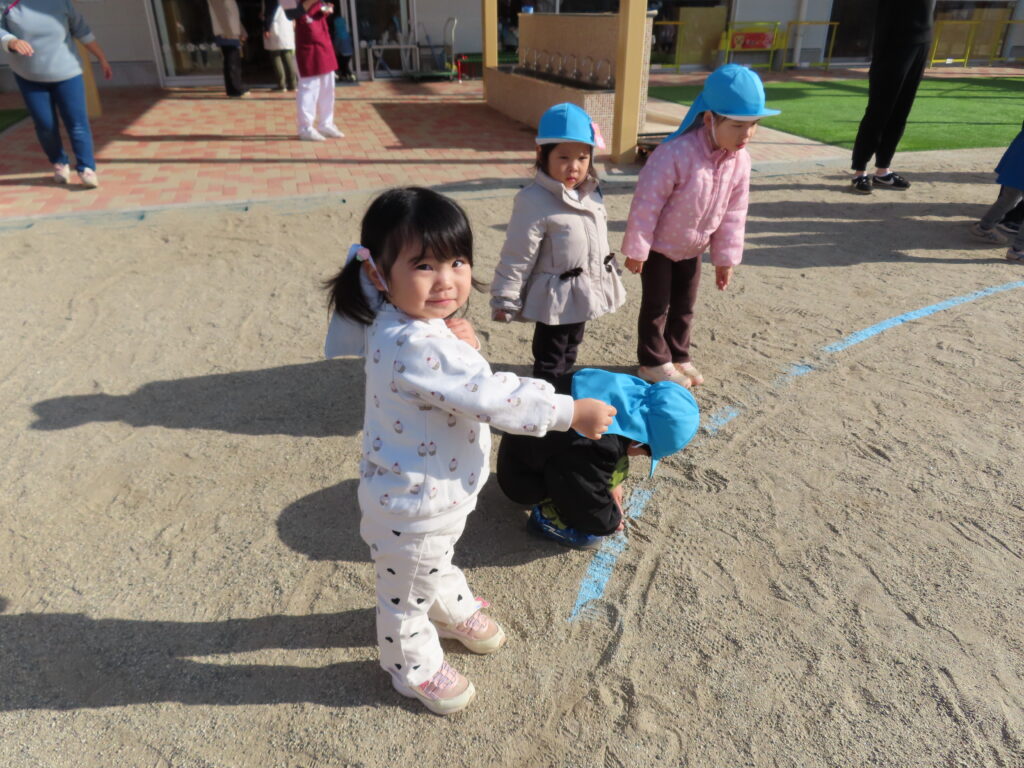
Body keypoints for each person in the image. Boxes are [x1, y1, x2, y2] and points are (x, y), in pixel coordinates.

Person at [323, 187, 616, 714]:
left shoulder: (401, 320)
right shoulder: (417, 344)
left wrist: (461, 342)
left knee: (433, 560)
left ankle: (445, 604)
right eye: (424, 265)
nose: (446, 280)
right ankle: (410, 664)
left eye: (457, 261)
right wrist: (569, 411)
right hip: (415, 504)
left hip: (433, 490)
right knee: (404, 597)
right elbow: (489, 396)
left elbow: (454, 378)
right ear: (377, 273)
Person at [621, 64, 779, 386]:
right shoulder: (673, 154)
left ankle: (678, 355)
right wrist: (637, 248)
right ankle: (653, 361)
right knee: (656, 306)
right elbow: (647, 203)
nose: (746, 134)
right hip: (659, 248)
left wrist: (725, 259)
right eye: (737, 125)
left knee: (685, 306)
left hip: (693, 249)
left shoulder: (740, 160)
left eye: (753, 125)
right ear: (709, 119)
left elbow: (734, 212)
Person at [491, 103, 626, 383]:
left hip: (583, 289)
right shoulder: (533, 200)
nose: (574, 167)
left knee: (572, 345)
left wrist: (607, 272)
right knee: (551, 353)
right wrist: (506, 296)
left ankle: (562, 387)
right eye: (563, 157)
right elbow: (518, 253)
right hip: (555, 296)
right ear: (542, 154)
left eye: (582, 157)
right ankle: (546, 394)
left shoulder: (591, 192)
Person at [498, 368, 699, 549]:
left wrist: (612, 484)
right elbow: (584, 493)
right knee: (590, 536)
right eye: (647, 453)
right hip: (520, 479)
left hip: (525, 448)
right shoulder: (595, 444)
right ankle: (546, 520)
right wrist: (609, 521)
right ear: (640, 441)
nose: (643, 456)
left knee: (613, 462)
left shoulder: (615, 389)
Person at [0, 0, 113, 188]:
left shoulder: (61, 2)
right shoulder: (7, 4)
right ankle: (59, 162)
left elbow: (82, 31)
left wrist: (101, 58)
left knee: (77, 123)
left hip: (68, 74)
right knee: (45, 125)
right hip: (30, 77)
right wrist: (11, 41)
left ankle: (86, 168)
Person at [849, 0, 933, 194]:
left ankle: (883, 170)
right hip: (894, 42)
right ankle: (859, 171)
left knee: (901, 111)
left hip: (922, 40)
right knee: (879, 110)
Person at [281, 0, 342, 141]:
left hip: (323, 39)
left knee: (328, 86)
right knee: (309, 87)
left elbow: (320, 6)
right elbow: (291, 14)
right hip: (307, 43)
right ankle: (305, 128)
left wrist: (325, 8)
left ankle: (326, 124)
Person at [969, 122, 1024, 262]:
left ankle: (984, 227)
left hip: (1018, 155)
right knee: (1010, 197)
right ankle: (1018, 250)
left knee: (1009, 198)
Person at [207, 0, 249, 98]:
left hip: (232, 31)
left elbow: (233, 14)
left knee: (233, 59)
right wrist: (228, 32)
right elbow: (220, 13)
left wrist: (242, 30)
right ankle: (235, 89)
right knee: (232, 60)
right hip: (226, 32)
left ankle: (234, 88)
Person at [263, 0, 297, 91]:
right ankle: (293, 84)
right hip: (287, 25)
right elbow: (294, 12)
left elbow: (269, 12)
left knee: (275, 55)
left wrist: (266, 27)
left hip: (275, 25)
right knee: (287, 55)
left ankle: (281, 84)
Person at [331, 10, 354, 81]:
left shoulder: (338, 35)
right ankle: (346, 76)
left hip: (342, 53)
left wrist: (336, 51)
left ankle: (349, 76)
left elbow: (336, 45)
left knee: (342, 66)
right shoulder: (346, 33)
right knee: (345, 65)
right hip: (349, 53)